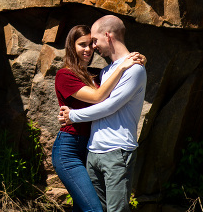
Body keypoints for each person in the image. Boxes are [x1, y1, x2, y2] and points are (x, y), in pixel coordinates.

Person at [58, 15, 147, 212]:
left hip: (117, 151)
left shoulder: (134, 70)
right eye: (85, 44)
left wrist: (72, 115)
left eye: (94, 41)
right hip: (92, 151)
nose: (92, 48)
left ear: (108, 36)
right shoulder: (106, 72)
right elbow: (99, 95)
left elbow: (110, 105)